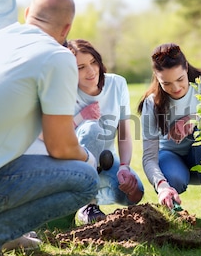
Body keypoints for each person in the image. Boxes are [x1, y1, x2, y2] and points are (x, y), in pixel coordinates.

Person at [0, 0, 99, 256]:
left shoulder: (0, 39)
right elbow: (60, 145)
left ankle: (10, 235)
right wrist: (89, 158)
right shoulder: (57, 56)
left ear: (27, 13)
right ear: (66, 29)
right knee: (86, 179)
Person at [137, 43, 201, 222]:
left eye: (180, 79)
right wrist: (161, 185)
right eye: (166, 83)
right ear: (157, 78)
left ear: (186, 67)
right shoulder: (152, 103)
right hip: (172, 157)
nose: (176, 88)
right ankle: (173, 207)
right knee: (173, 178)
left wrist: (193, 119)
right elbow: (149, 157)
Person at [61, 39, 144, 224]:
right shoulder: (65, 91)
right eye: (81, 67)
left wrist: (124, 166)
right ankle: (87, 203)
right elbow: (55, 134)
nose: (90, 71)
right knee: (92, 129)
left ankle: (87, 197)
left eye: (93, 62)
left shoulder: (117, 84)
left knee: (135, 193)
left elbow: (124, 133)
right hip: (74, 164)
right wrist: (81, 116)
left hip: (107, 161)